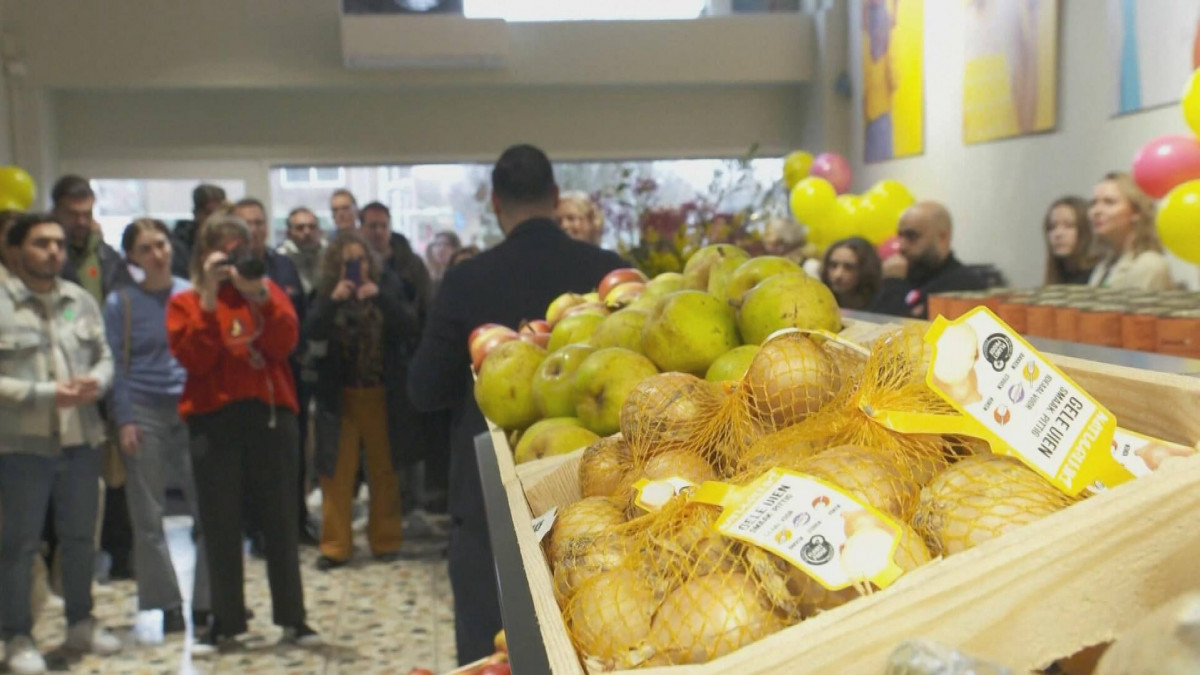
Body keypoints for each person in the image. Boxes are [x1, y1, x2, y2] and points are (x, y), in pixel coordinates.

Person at [407, 144, 627, 664]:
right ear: (555, 197)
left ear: (494, 202)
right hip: (593, 498)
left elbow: (424, 388)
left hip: (492, 508)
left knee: (496, 655)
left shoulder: (466, 280)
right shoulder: (608, 273)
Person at [166, 213, 319, 653]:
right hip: (213, 421)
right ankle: (226, 621)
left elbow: (283, 344)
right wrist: (211, 298)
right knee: (219, 524)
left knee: (280, 520)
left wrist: (258, 295)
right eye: (223, 251)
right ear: (202, 254)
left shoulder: (264, 291)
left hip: (270, 416)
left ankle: (294, 618)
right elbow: (195, 360)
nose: (233, 260)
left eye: (240, 250)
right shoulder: (188, 301)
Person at [1, 213, 122, 674]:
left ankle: (81, 622)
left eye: (57, 243)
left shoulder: (79, 301)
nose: (53, 251)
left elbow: (105, 355)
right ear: (16, 251)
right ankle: (15, 636)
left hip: (82, 441)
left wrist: (97, 381)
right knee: (19, 545)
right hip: (22, 444)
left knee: (79, 539)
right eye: (40, 243)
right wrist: (46, 395)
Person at [103, 219, 210, 637]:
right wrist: (124, 418)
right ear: (132, 257)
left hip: (191, 406)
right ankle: (166, 603)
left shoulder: (191, 294)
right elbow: (117, 365)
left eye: (161, 244)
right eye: (146, 248)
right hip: (144, 408)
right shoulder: (121, 303)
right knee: (149, 515)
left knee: (207, 510)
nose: (157, 254)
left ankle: (206, 601)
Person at [306, 231, 421, 570]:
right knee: (335, 475)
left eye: (361, 260)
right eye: (347, 262)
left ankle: (386, 541)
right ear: (335, 265)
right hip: (337, 399)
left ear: (370, 262)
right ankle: (335, 546)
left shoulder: (388, 290)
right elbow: (309, 330)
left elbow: (410, 326)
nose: (356, 267)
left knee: (384, 473)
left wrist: (381, 297)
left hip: (382, 396)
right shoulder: (326, 294)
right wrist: (333, 301)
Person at [50, 175, 136, 581]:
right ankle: (60, 563)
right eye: (73, 214)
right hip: (60, 375)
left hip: (107, 373)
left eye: (87, 213)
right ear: (57, 211)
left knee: (117, 471)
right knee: (64, 473)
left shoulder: (107, 257)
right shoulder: (46, 256)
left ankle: (122, 554)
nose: (81, 222)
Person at [232, 198, 315, 545]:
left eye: (259, 222)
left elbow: (297, 315)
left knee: (290, 455)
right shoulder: (228, 270)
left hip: (286, 372)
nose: (254, 229)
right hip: (244, 376)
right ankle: (256, 528)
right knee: (250, 459)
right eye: (246, 223)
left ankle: (295, 521)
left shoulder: (282, 266)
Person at [358, 202, 436, 528]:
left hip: (403, 361)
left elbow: (420, 315)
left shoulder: (409, 264)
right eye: (371, 225)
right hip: (365, 368)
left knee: (408, 439)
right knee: (374, 442)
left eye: (382, 225)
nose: (377, 231)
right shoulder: (354, 263)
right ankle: (383, 507)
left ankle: (413, 505)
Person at [866, 201, 987, 319]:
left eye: (911, 236)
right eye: (900, 236)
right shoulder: (906, 274)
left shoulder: (964, 284)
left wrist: (894, 283)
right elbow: (869, 324)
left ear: (942, 237)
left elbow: (905, 334)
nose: (901, 246)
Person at [1087, 172, 1174, 291]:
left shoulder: (1149, 265)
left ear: (1136, 212)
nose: (1096, 211)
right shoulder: (1104, 266)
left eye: (1109, 202)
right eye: (1093, 203)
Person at [172, 185, 227, 280]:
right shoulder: (179, 246)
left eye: (220, 213)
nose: (216, 219)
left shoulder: (231, 241)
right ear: (196, 214)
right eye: (209, 213)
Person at [1043, 196, 1099, 286]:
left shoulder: (1098, 276)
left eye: (1069, 226)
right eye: (1052, 227)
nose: (1058, 234)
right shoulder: (1057, 277)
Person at [821, 237, 883, 310]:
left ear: (865, 269)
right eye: (833, 265)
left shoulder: (880, 305)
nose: (838, 275)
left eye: (849, 267)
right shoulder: (820, 301)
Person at [277, 207, 326, 296]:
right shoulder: (280, 257)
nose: (307, 232)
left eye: (312, 227)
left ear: (320, 230)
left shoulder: (329, 253)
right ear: (289, 233)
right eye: (300, 228)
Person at [425, 230, 462, 294]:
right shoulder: (425, 274)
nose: (441, 249)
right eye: (437, 244)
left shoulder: (460, 274)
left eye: (446, 245)